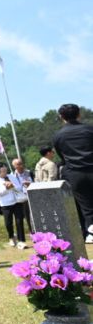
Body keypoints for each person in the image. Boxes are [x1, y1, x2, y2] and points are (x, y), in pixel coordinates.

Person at [53, 103, 93, 242]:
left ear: (61, 117)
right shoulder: (89, 129)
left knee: (86, 207)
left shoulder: (58, 135)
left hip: (75, 174)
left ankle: (90, 232)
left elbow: (62, 157)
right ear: (79, 114)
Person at [0, 164, 27, 249]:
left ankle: (21, 240)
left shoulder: (11, 176)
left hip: (17, 201)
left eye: (5, 170)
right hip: (6, 204)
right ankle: (11, 236)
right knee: (8, 223)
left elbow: (19, 187)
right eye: (3, 171)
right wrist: (6, 189)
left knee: (19, 220)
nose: (5, 172)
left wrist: (12, 186)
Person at [11, 157, 34, 233]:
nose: (21, 165)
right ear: (14, 166)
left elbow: (36, 183)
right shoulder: (12, 176)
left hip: (31, 196)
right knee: (26, 216)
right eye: (18, 164)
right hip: (21, 199)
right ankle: (31, 232)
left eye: (21, 163)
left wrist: (30, 184)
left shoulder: (29, 173)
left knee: (33, 215)